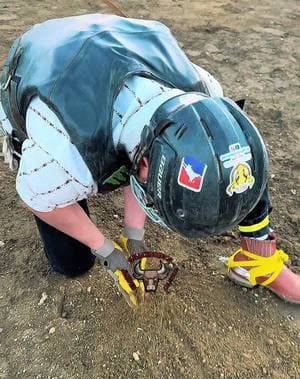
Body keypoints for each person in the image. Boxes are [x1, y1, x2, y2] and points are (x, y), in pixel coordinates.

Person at [0, 13, 299, 307]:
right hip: (40, 65)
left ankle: (262, 257)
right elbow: (35, 198)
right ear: (143, 165)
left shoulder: (205, 92)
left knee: (233, 155)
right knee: (73, 262)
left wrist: (134, 235)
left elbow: (147, 150)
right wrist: (105, 250)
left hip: (119, 45)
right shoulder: (64, 154)